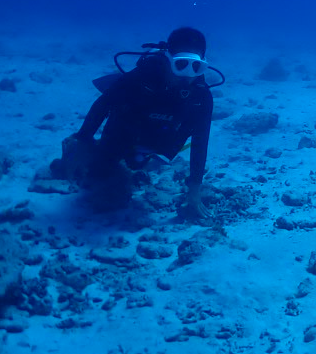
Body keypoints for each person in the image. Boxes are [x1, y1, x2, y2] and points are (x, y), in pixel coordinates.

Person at [54, 27, 214, 217]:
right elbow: (102, 105)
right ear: (168, 59)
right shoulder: (140, 77)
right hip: (123, 133)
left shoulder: (201, 95)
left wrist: (194, 190)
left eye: (196, 67)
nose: (187, 75)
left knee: (137, 166)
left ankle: (141, 157)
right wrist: (83, 139)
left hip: (159, 141)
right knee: (98, 178)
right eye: (181, 65)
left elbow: (200, 140)